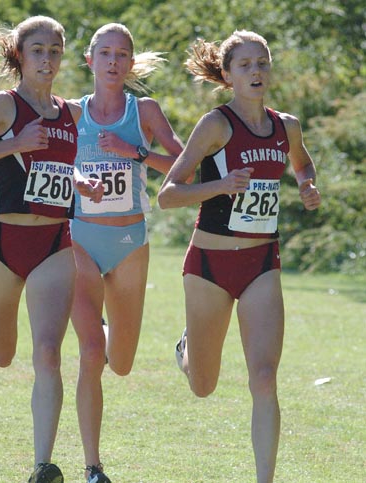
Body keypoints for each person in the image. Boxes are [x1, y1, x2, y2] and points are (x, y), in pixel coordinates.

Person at [0, 16, 103, 483]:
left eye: (54, 50)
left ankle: (41, 466)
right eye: (37, 51)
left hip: (54, 242)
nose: (46, 59)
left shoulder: (72, 114)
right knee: (5, 351)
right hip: (3, 244)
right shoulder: (3, 106)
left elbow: (56, 172)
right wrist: (12, 143)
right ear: (20, 55)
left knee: (48, 353)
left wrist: (80, 182)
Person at [157, 31, 321, 483]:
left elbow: (301, 162)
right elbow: (168, 195)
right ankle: (187, 349)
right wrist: (220, 186)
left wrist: (306, 184)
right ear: (227, 75)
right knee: (203, 386)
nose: (256, 71)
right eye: (245, 65)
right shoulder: (216, 125)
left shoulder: (286, 124)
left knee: (264, 378)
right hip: (209, 268)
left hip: (261, 265)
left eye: (262, 63)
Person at [69, 23, 184, 483]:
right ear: (90, 59)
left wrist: (135, 152)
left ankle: (165, 342)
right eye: (105, 53)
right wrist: (79, 182)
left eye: (122, 54)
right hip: (79, 238)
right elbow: (53, 167)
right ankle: (93, 466)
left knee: (121, 362)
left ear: (131, 63)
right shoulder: (70, 114)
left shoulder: (146, 111)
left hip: (129, 244)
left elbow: (183, 164)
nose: (113, 61)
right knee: (92, 353)